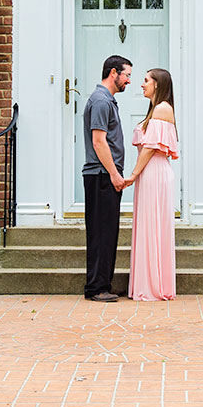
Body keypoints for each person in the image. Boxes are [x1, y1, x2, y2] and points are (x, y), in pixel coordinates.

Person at [82, 54, 133, 302]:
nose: (129, 81)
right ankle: (96, 288)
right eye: (127, 75)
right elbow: (98, 141)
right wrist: (115, 174)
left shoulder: (106, 100)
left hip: (104, 175)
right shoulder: (101, 101)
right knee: (102, 233)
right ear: (113, 73)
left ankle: (102, 284)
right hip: (102, 176)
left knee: (106, 232)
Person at [127, 68, 178, 301]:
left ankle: (153, 286)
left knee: (153, 226)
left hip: (154, 173)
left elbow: (150, 148)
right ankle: (147, 283)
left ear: (157, 84)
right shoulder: (155, 110)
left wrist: (133, 174)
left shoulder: (162, 108)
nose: (142, 84)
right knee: (148, 226)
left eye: (146, 81)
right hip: (150, 173)